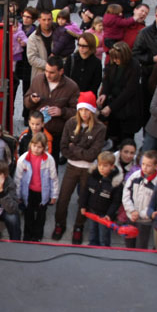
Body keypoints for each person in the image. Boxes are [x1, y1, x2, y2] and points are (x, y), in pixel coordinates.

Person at [53, 91, 106, 242]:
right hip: (71, 167)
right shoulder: (70, 123)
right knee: (63, 198)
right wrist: (81, 152)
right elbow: (64, 148)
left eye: (87, 110)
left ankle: (78, 227)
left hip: (89, 169)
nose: (84, 113)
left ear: (92, 111)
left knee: (84, 200)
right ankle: (59, 224)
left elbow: (92, 155)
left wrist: (74, 148)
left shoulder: (100, 128)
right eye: (81, 109)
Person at [23, 56, 79, 163]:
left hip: (55, 133)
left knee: (51, 163)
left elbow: (77, 112)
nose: (47, 75)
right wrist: (31, 100)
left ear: (61, 71)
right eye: (46, 71)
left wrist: (62, 112)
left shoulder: (71, 87)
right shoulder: (38, 80)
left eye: (52, 72)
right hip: (36, 130)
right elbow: (26, 102)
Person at [99, 42, 142, 148]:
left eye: (117, 58)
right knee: (114, 136)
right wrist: (104, 93)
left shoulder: (134, 66)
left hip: (127, 109)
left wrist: (111, 107)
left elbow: (129, 91)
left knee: (126, 139)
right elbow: (107, 80)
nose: (115, 61)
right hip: (113, 105)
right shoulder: (112, 63)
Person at [122, 150, 157, 249]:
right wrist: (131, 210)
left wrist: (140, 214)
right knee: (129, 243)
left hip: (145, 220)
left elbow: (155, 204)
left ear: (156, 166)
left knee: (141, 245)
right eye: (143, 164)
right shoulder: (135, 176)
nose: (144, 167)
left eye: (148, 165)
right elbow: (126, 194)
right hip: (131, 216)